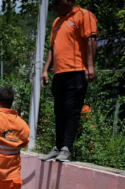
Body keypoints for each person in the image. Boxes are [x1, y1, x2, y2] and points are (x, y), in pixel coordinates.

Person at [40, 0, 97, 162]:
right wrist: (45, 70)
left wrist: (91, 66)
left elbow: (91, 41)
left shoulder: (84, 15)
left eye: (56, 3)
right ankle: (58, 146)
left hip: (77, 71)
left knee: (71, 110)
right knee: (59, 111)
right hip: (59, 74)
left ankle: (67, 148)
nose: (54, 7)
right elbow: (53, 48)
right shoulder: (57, 22)